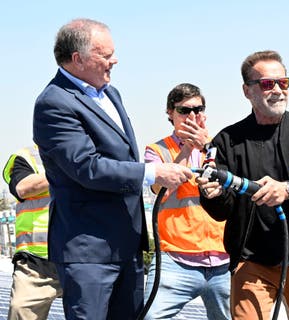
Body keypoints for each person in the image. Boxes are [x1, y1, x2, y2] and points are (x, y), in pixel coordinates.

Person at [32, 18, 192, 320]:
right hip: (88, 253)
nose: (114, 60)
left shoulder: (110, 94)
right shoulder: (54, 103)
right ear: (78, 59)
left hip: (127, 247)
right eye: (105, 55)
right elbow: (85, 167)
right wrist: (152, 173)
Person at [197, 50, 289, 319]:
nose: (277, 90)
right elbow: (221, 210)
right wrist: (212, 194)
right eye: (267, 84)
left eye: (283, 82)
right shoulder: (227, 141)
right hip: (253, 263)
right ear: (247, 91)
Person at [142, 83, 230, 319]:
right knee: (150, 317)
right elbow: (160, 187)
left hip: (223, 258)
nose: (192, 116)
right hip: (176, 259)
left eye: (198, 109)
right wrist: (186, 150)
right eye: (184, 110)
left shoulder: (221, 146)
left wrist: (206, 147)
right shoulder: (157, 150)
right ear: (170, 114)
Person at [2, 145, 62, 319]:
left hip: (83, 257)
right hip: (36, 264)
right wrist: (70, 170)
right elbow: (23, 187)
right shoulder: (27, 156)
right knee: (21, 309)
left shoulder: (91, 153)